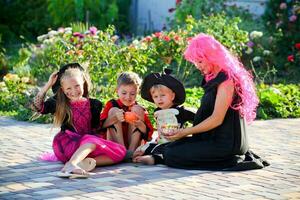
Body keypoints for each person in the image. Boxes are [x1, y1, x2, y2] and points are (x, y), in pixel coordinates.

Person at [133, 33, 269, 170]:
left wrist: (186, 132)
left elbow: (217, 119)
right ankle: (157, 155)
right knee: (172, 145)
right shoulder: (213, 77)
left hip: (226, 144)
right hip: (212, 138)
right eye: (195, 62)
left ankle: (230, 158)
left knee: (173, 151)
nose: (197, 66)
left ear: (212, 57)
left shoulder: (226, 81)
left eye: (200, 61)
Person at [31, 63, 126, 178]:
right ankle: (71, 164)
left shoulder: (94, 104)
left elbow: (96, 128)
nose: (74, 91)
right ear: (62, 89)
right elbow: (37, 107)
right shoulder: (60, 103)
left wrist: (113, 119)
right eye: (68, 88)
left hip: (86, 146)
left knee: (120, 151)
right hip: (68, 144)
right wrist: (48, 85)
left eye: (77, 86)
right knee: (91, 140)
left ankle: (80, 163)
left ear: (83, 83)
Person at [133, 69, 195, 164]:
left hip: (176, 141)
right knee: (147, 146)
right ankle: (142, 154)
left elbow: (198, 118)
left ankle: (154, 159)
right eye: (156, 97)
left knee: (168, 150)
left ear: (172, 96)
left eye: (163, 95)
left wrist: (190, 132)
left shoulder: (180, 111)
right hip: (162, 140)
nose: (159, 99)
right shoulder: (157, 112)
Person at [100, 72, 153, 152]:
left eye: (132, 94)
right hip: (115, 145)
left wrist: (140, 124)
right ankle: (121, 150)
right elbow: (100, 127)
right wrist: (115, 118)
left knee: (138, 109)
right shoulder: (111, 104)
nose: (128, 97)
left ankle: (131, 152)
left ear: (137, 92)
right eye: (124, 93)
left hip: (134, 146)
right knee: (114, 110)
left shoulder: (139, 109)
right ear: (117, 91)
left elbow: (149, 137)